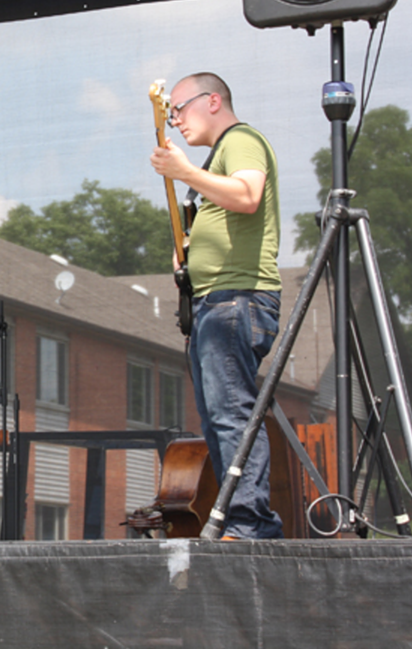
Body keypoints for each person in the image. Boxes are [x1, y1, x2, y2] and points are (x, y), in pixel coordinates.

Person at [149, 73, 284, 540]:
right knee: (216, 418)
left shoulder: (240, 140)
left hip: (236, 299)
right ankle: (236, 518)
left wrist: (184, 172)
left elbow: (247, 196)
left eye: (179, 109)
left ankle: (251, 524)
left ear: (212, 101)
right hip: (213, 303)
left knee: (231, 415)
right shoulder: (213, 164)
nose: (175, 121)